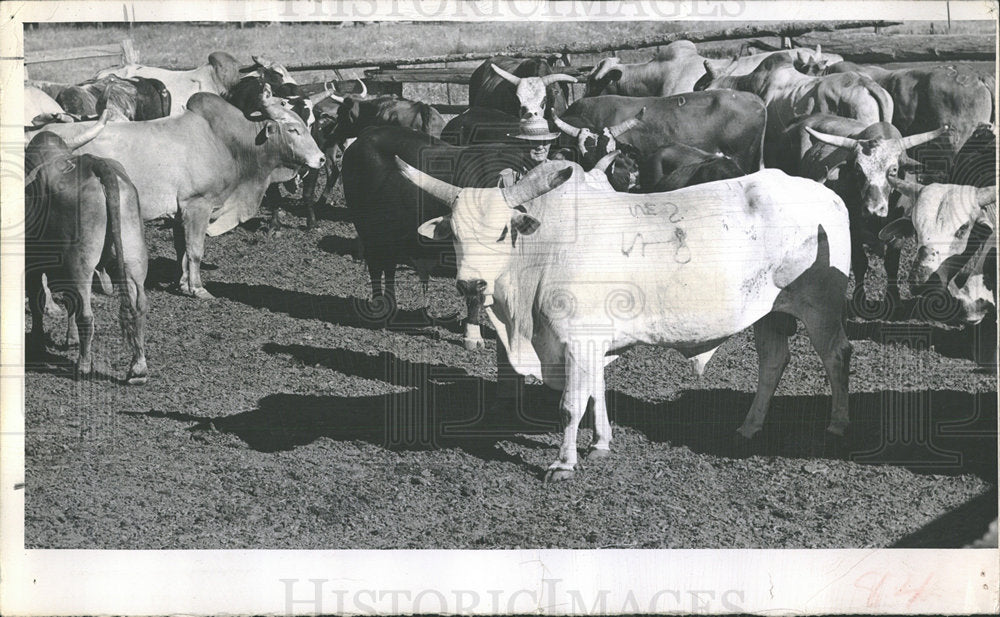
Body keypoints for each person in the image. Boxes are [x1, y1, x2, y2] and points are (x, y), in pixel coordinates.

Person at [498, 117, 562, 187]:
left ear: (550, 143)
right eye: (534, 142)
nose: (540, 147)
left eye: (545, 141)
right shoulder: (508, 179)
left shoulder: (560, 173)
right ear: (521, 144)